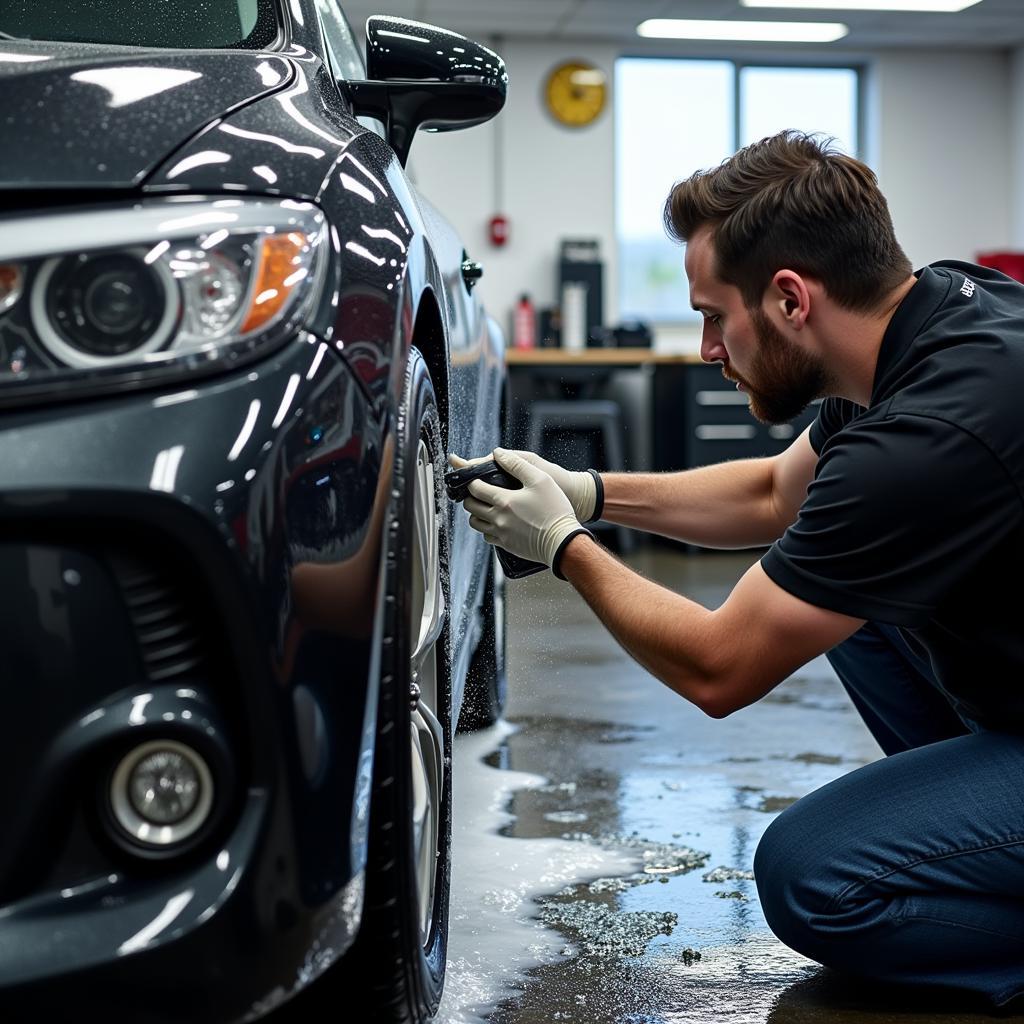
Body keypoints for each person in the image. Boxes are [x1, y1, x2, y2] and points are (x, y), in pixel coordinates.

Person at [451, 130, 1024, 1010]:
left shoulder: (929, 437)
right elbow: (767, 495)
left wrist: (565, 546)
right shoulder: (928, 320)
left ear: (791, 299)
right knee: (853, 604)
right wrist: (593, 492)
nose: (708, 348)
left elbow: (720, 667)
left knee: (813, 876)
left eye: (716, 316)